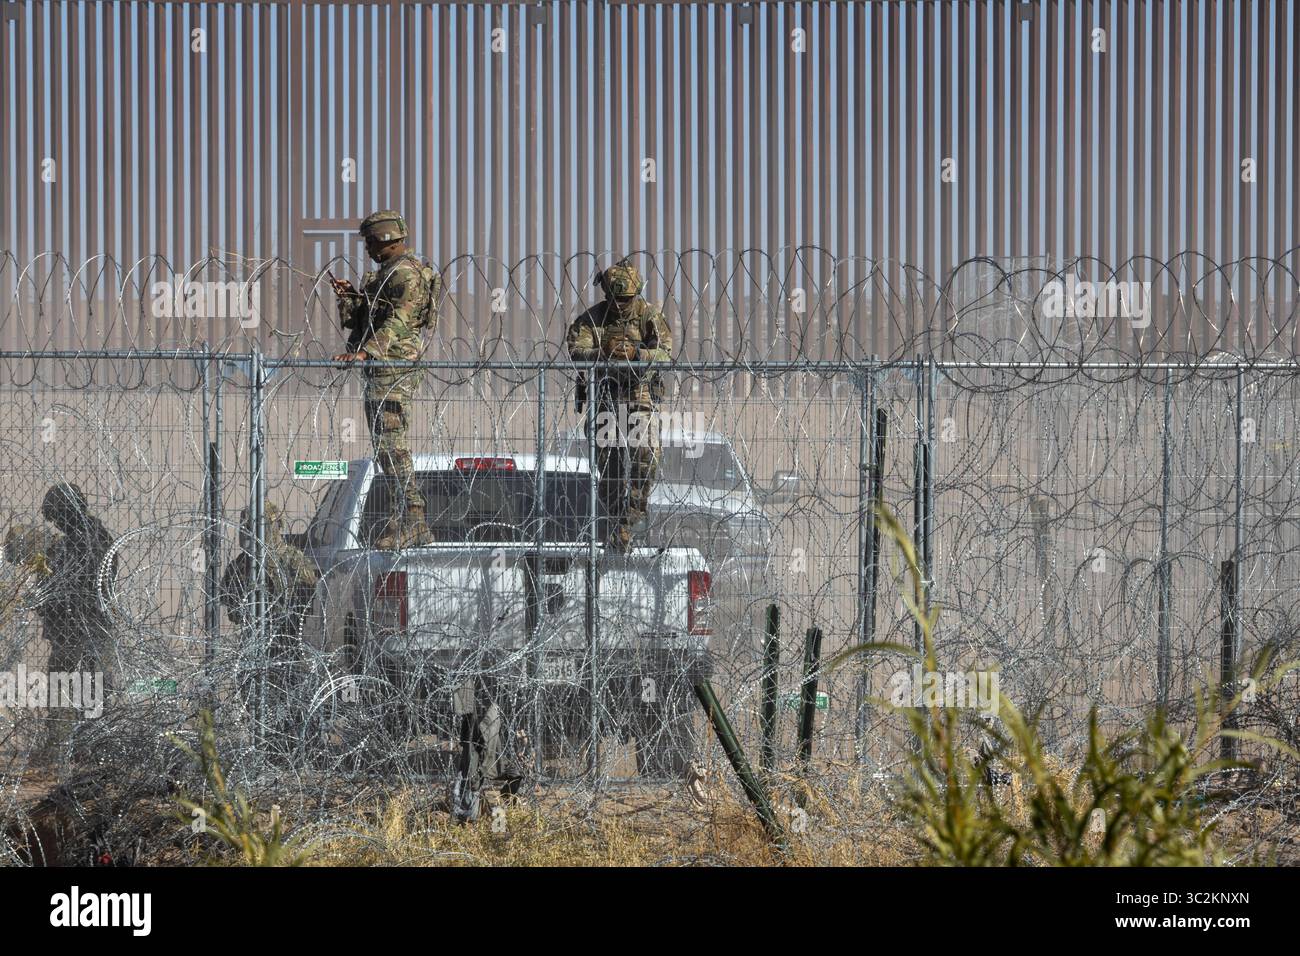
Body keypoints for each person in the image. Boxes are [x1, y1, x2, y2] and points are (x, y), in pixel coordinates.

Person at [331, 209, 442, 550]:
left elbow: (399, 321)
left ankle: (414, 518)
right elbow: (365, 320)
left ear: (383, 239)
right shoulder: (387, 274)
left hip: (394, 368)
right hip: (382, 368)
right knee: (384, 447)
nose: (366, 249)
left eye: (368, 241)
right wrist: (350, 296)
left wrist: (367, 352)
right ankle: (403, 515)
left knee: (392, 446)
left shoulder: (405, 274)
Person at [565, 260, 673, 553]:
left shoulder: (648, 315)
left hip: (638, 394)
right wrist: (603, 352)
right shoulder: (593, 319)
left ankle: (633, 513)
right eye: (618, 299)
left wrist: (638, 353)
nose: (623, 305)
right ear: (608, 296)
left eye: (628, 299)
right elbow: (576, 349)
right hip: (605, 397)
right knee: (609, 468)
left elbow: (666, 353)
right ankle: (616, 523)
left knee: (646, 454)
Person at [219, 502, 320, 726]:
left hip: (287, 648)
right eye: (246, 526)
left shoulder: (294, 562)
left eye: (256, 526)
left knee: (290, 710)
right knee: (260, 712)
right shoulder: (241, 566)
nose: (248, 532)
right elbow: (233, 611)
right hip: (255, 650)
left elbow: (307, 605)